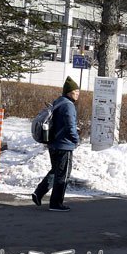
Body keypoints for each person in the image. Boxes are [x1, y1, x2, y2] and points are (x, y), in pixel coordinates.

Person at [31, 76, 81, 211]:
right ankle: (56, 203)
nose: (77, 94)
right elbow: (70, 126)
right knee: (63, 174)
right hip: (64, 145)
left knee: (55, 171)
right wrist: (76, 139)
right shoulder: (69, 106)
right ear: (69, 93)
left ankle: (39, 193)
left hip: (53, 143)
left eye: (78, 91)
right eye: (75, 91)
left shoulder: (58, 101)